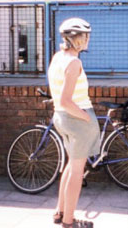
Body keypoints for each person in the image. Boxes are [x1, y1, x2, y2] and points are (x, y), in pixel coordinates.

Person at [48, 18, 100, 228]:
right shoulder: (74, 62)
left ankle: (60, 212)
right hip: (76, 120)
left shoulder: (58, 57)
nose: (88, 39)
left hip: (61, 118)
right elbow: (66, 100)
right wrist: (87, 118)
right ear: (75, 39)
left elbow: (59, 100)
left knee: (70, 167)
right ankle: (69, 222)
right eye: (85, 36)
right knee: (77, 172)